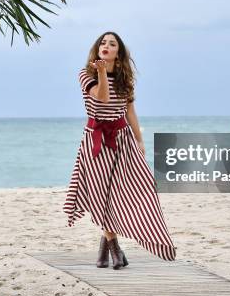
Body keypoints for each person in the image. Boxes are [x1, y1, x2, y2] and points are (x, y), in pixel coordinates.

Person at [63, 32, 177, 270]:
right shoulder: (86, 75)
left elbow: (130, 112)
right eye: (103, 43)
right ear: (97, 49)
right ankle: (114, 247)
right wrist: (102, 72)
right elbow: (102, 98)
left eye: (112, 44)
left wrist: (140, 140)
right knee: (103, 193)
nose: (106, 46)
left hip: (122, 139)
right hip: (95, 141)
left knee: (137, 189)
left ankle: (107, 247)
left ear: (119, 52)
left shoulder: (126, 80)